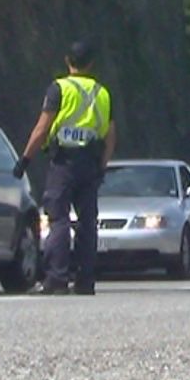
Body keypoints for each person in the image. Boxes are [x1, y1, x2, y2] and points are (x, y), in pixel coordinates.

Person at [13, 40, 116, 295]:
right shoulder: (102, 93)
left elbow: (42, 128)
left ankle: (56, 279)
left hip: (63, 163)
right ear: (91, 64)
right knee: (87, 222)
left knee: (58, 219)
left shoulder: (59, 88)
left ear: (67, 61)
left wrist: (24, 160)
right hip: (90, 162)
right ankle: (85, 281)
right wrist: (102, 165)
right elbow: (111, 135)